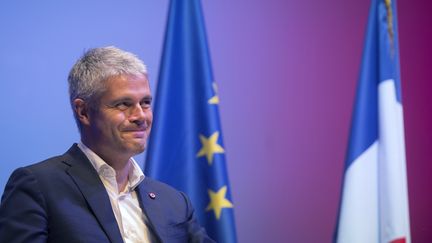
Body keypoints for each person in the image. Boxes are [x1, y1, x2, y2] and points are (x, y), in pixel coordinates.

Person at [0, 46, 214, 243]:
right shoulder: (39, 187)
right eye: (124, 104)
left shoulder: (174, 202)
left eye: (145, 103)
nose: (140, 116)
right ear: (83, 111)